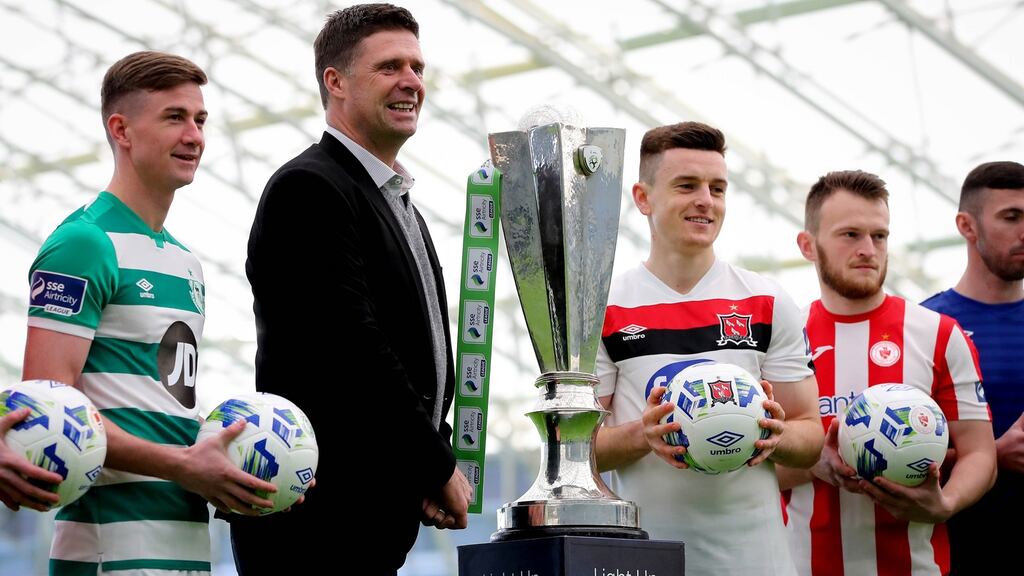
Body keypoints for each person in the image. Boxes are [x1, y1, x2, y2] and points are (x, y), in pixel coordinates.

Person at [18, 51, 277, 575]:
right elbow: (46, 418)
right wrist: (185, 465)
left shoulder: (187, 264)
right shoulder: (82, 244)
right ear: (122, 130)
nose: (194, 136)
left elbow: (158, 407)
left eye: (200, 120)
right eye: (174, 117)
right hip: (108, 548)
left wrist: (231, 462)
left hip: (184, 544)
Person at [235, 4, 471, 574]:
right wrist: (436, 464)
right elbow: (352, 347)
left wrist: (425, 467)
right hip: (318, 523)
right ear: (334, 82)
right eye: (389, 66)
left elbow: (419, 354)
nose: (411, 81)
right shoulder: (310, 187)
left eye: (417, 67)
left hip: (371, 517)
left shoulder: (395, 201)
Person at [594, 121, 824, 576]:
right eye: (687, 186)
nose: (706, 200)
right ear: (643, 198)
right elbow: (580, 449)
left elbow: (810, 434)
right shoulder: (605, 307)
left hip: (758, 563)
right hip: (647, 561)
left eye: (717, 188)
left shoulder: (767, 301)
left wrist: (777, 435)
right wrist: (645, 434)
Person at [780, 170, 997, 575]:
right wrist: (813, 461)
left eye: (879, 236)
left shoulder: (938, 333)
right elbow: (753, 462)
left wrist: (944, 503)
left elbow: (980, 452)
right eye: (850, 235)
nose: (868, 249)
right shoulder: (782, 341)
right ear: (808, 246)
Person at [920, 161, 1024, 575]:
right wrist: (991, 454)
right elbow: (900, 451)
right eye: (1011, 217)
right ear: (967, 225)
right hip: (963, 549)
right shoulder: (924, 328)